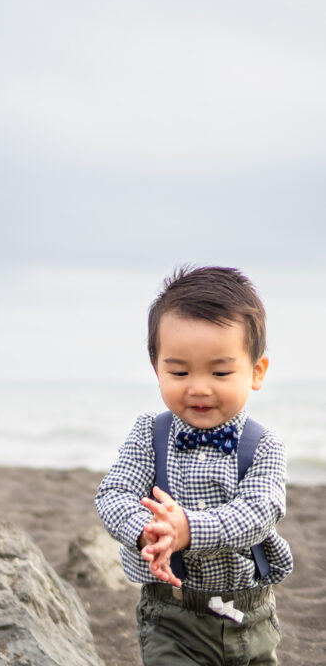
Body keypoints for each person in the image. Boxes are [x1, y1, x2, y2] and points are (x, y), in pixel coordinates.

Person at [95, 266, 292, 666]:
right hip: (172, 615)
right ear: (156, 369)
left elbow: (259, 512)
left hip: (249, 614)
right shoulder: (149, 434)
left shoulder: (264, 446)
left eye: (220, 372)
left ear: (256, 372)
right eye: (179, 371)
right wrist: (150, 532)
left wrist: (188, 529)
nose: (199, 386)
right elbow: (112, 495)